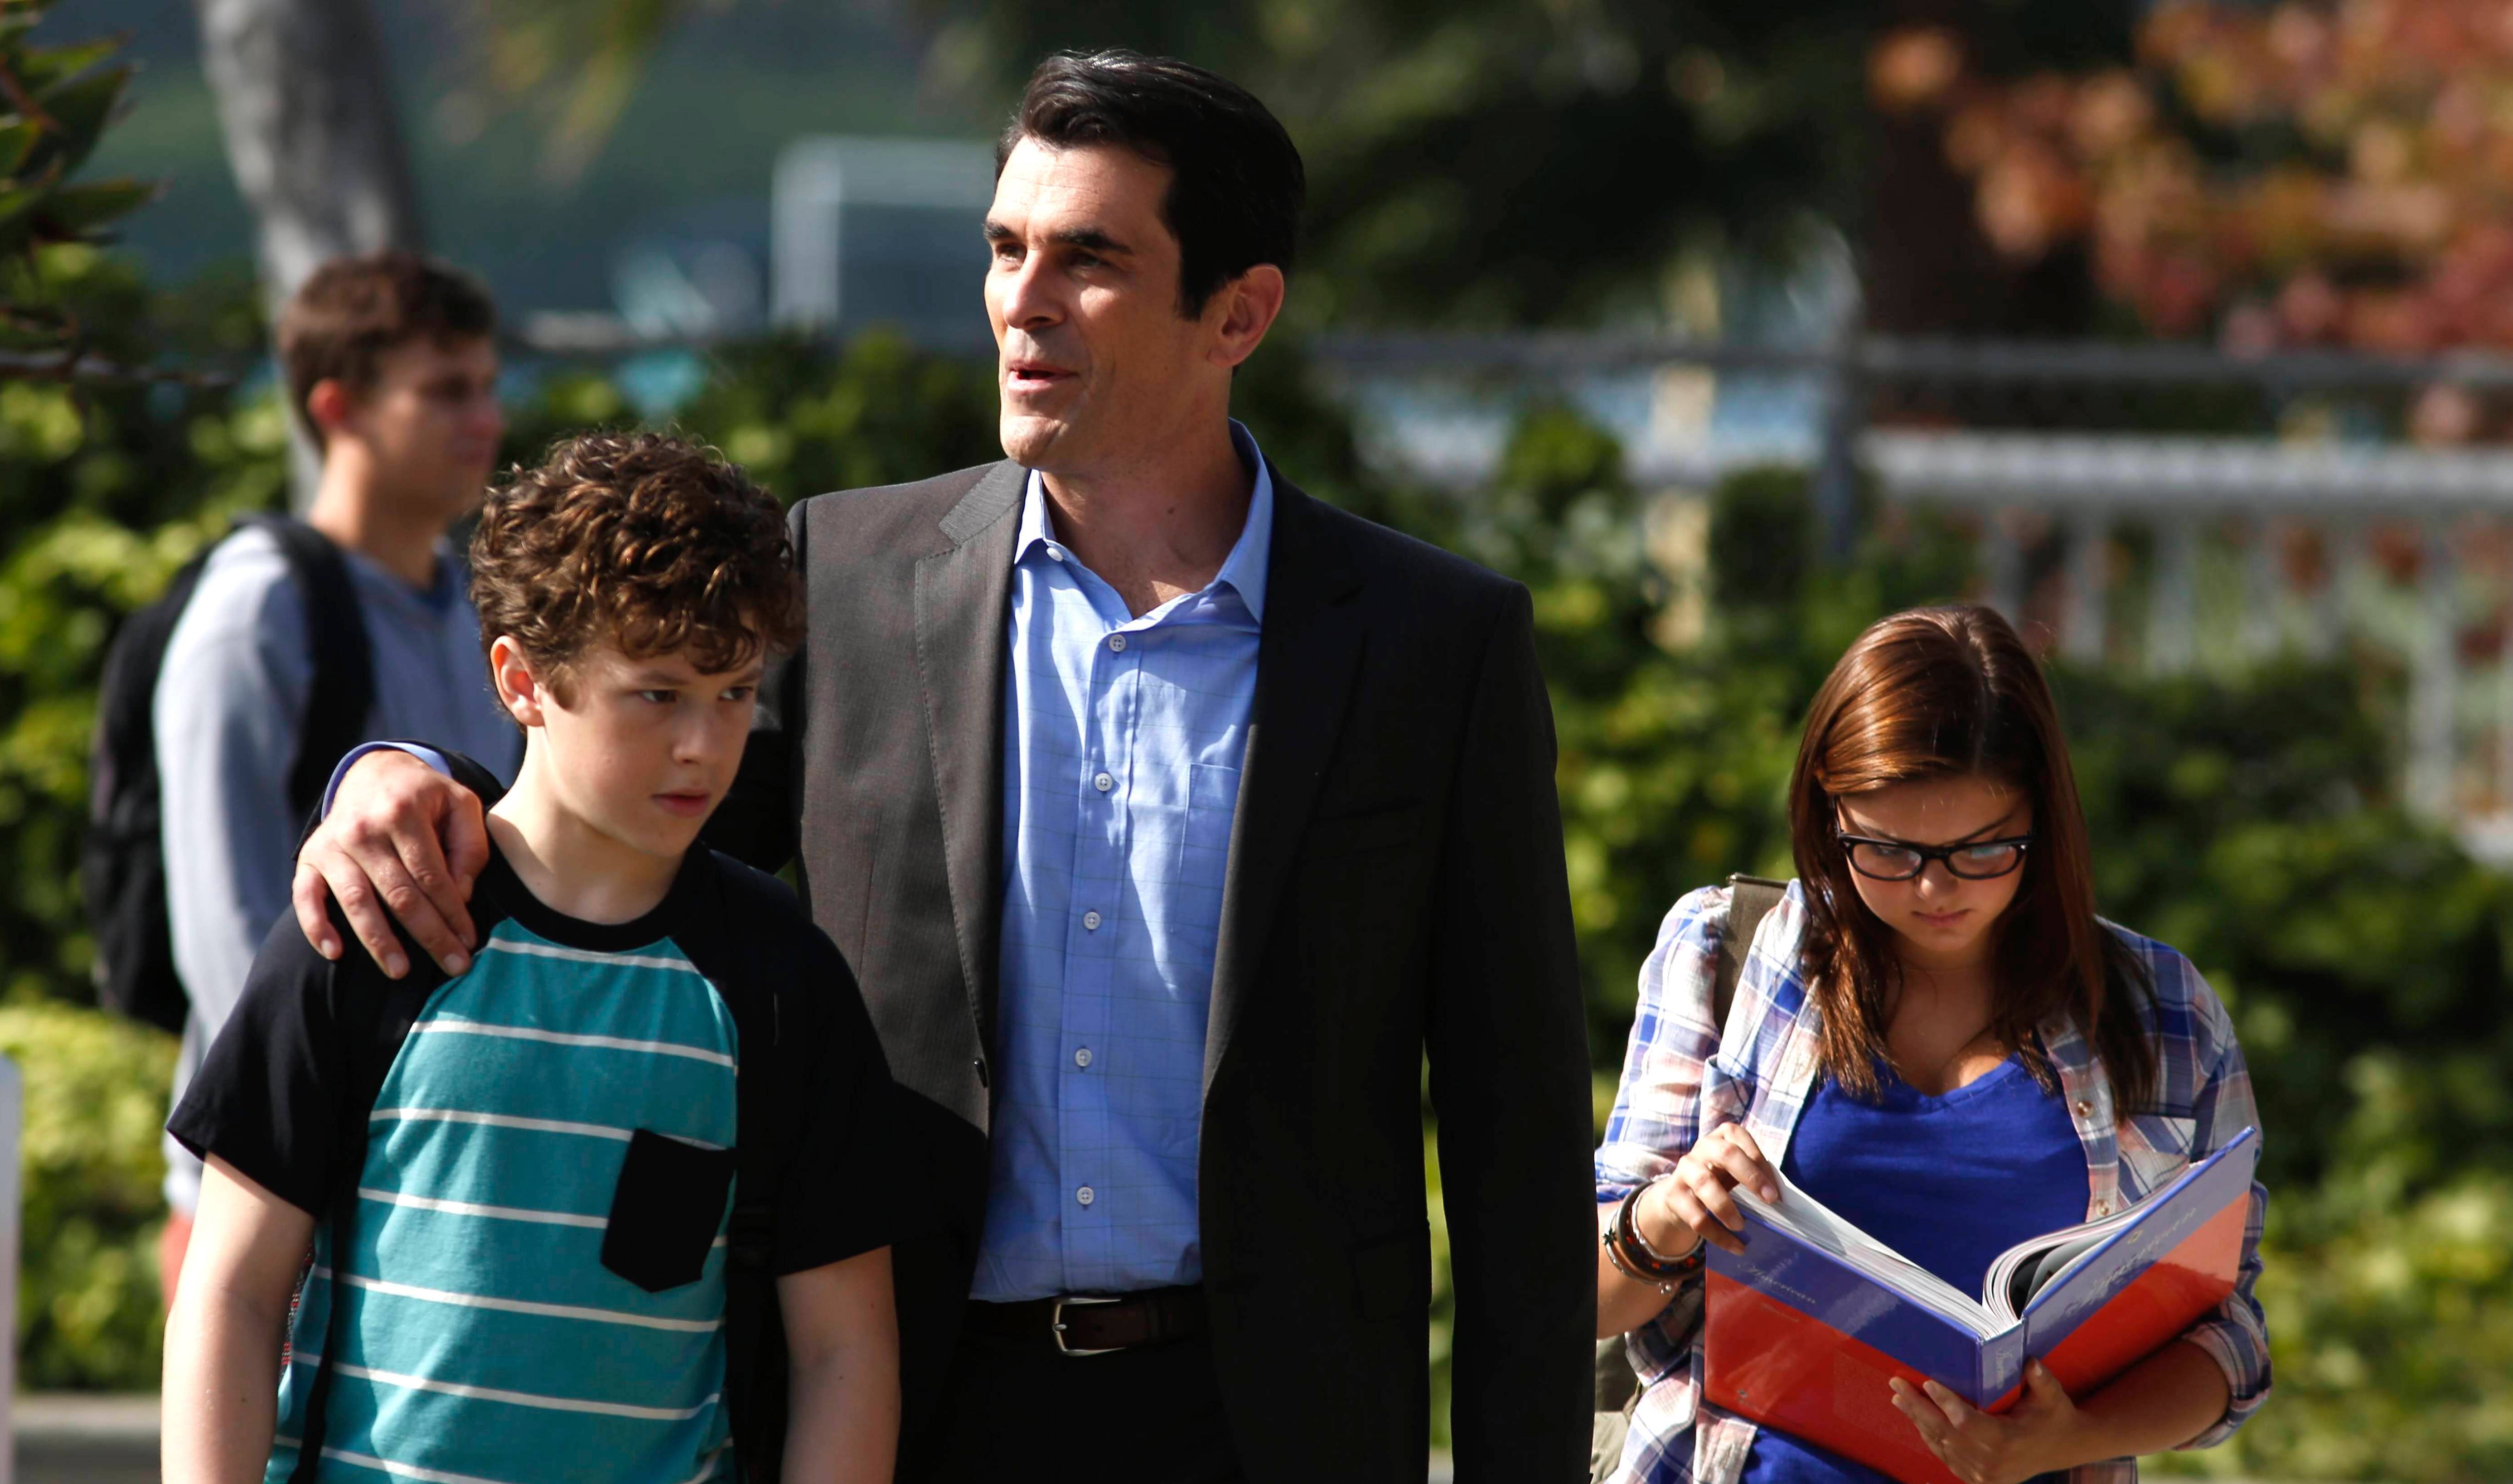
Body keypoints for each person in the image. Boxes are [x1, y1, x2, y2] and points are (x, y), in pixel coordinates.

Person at [292, 49, 1593, 1484]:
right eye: (1006, 247)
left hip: (1275, 1425)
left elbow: (1517, 1136)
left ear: (1239, 312)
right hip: (903, 1401)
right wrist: (406, 774)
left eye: (1088, 258)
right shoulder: (847, 571)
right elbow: (618, 827)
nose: (1022, 300)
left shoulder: (1430, 642)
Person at [161, 431, 902, 1484]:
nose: (703, 744)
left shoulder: (782, 976)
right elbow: (232, 1293)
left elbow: (844, 1352)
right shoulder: (373, 925)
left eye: (734, 691)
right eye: (657, 693)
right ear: (521, 678)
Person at [1590, 605, 2270, 1484]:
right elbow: (1580, 1303)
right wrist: (1665, 1219)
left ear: (2044, 821)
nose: (1931, 890)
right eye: (1886, 851)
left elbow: (2227, 1337)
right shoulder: (1723, 951)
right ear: (1827, 815)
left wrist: (2066, 1439)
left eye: (1981, 851)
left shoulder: (2161, 1010)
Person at [153, 251, 524, 1302]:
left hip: (428, 1167)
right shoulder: (256, 610)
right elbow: (223, 928)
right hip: (276, 1182)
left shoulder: (478, 608)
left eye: (487, 386)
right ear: (337, 409)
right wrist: (300, 1151)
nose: (484, 419)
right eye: (444, 391)